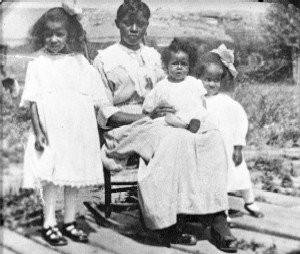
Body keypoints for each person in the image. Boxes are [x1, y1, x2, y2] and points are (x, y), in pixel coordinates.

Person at [94, 1, 237, 252]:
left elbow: (172, 89)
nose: (134, 29)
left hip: (164, 119)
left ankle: (215, 215)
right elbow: (104, 111)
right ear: (118, 24)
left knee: (211, 136)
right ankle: (162, 224)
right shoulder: (104, 59)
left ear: (147, 26)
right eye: (128, 23)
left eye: (140, 24)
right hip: (124, 126)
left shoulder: (154, 56)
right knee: (174, 139)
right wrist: (147, 116)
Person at [20, 4, 105, 246]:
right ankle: (49, 223)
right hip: (51, 131)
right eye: (49, 34)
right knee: (52, 178)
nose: (54, 39)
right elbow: (33, 102)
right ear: (41, 35)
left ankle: (69, 221)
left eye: (60, 34)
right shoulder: (37, 65)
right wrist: (38, 132)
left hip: (75, 132)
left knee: (72, 177)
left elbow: (92, 95)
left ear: (70, 35)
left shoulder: (79, 62)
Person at [196, 44, 263, 222]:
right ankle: (221, 212)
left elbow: (241, 121)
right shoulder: (196, 101)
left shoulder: (226, 102)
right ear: (199, 79)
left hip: (228, 147)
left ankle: (249, 201)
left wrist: (238, 146)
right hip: (210, 149)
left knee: (240, 172)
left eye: (215, 81)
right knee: (217, 181)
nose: (211, 84)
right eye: (207, 79)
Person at [143, 38, 208, 133]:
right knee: (168, 118)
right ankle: (185, 126)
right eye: (174, 64)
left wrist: (202, 115)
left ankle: (190, 126)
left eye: (184, 64)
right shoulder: (161, 85)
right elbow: (148, 107)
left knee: (198, 115)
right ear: (167, 65)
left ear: (190, 66)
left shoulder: (193, 83)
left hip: (192, 118)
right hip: (171, 121)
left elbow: (203, 103)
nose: (179, 67)